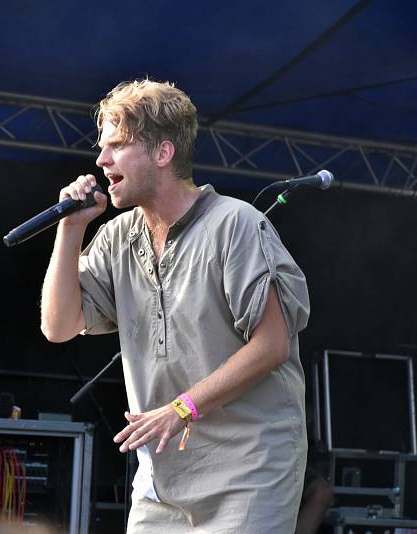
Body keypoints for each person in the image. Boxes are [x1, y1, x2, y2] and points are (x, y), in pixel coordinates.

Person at [40, 79, 310, 533]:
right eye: (102, 148)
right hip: (163, 482)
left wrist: (181, 408)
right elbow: (58, 326)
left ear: (163, 154)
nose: (102, 161)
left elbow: (273, 345)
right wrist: (70, 228)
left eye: (117, 146)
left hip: (249, 472)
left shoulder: (236, 224)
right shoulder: (117, 237)